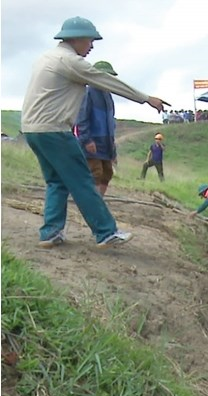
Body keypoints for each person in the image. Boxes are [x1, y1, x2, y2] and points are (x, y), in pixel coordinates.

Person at [21, 16, 166, 249]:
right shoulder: (70, 62)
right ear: (76, 39)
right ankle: (105, 232)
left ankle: (50, 233)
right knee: (83, 181)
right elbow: (105, 81)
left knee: (56, 181)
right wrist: (146, 98)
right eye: (90, 40)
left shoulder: (46, 58)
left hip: (32, 129)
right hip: (55, 130)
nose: (92, 46)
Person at [74, 60, 119, 197]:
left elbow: (111, 123)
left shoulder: (108, 97)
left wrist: (113, 150)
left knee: (107, 173)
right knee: (95, 172)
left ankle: (99, 200)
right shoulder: (88, 93)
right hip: (92, 144)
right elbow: (81, 119)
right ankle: (92, 202)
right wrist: (87, 140)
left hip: (106, 145)